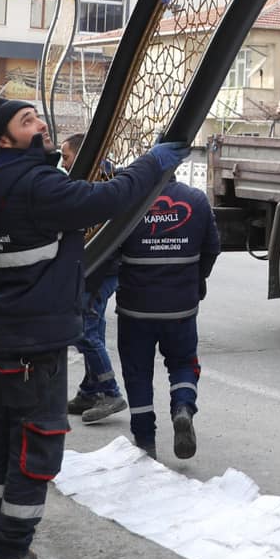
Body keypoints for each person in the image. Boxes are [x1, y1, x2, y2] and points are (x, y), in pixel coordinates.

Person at [0, 95, 182, 559]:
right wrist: (154, 163)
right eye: (26, 120)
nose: (39, 123)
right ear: (4, 138)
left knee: (3, 447)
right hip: (36, 341)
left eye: (36, 114)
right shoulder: (37, 185)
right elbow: (107, 199)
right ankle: (11, 557)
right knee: (38, 448)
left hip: (4, 334)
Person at [113, 177, 221, 460]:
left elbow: (109, 253)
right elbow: (211, 248)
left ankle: (146, 443)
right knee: (183, 363)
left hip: (135, 309)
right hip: (180, 309)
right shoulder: (196, 200)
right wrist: (197, 278)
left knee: (137, 374)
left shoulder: (129, 201)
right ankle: (183, 408)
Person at [61, 135, 127, 425]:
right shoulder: (92, 180)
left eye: (66, 156)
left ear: (83, 154)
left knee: (86, 333)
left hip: (100, 272)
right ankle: (90, 390)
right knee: (93, 332)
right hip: (92, 272)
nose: (63, 163)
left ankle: (110, 392)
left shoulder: (105, 184)